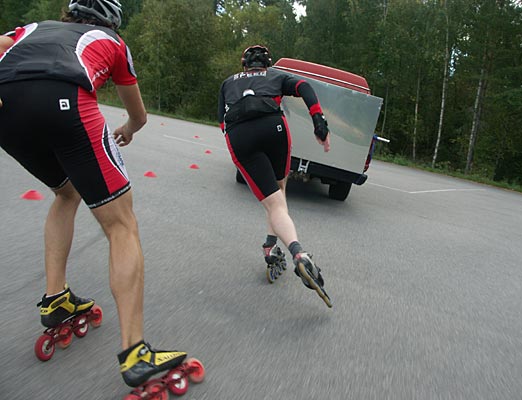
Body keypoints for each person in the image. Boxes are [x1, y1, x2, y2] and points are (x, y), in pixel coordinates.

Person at [0, 0, 188, 389]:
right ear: (113, 20)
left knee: (66, 194)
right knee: (121, 225)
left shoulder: (32, 28)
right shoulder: (113, 41)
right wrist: (130, 129)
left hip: (7, 107)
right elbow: (138, 114)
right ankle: (135, 351)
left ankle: (56, 299)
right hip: (65, 99)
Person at [218, 45, 333, 308]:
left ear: (243, 64)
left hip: (240, 133)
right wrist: (319, 122)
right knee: (280, 195)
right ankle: (278, 248)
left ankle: (293, 252)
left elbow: (222, 122)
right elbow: (305, 86)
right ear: (266, 64)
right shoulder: (276, 76)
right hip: (274, 127)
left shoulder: (228, 82)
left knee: (272, 203)